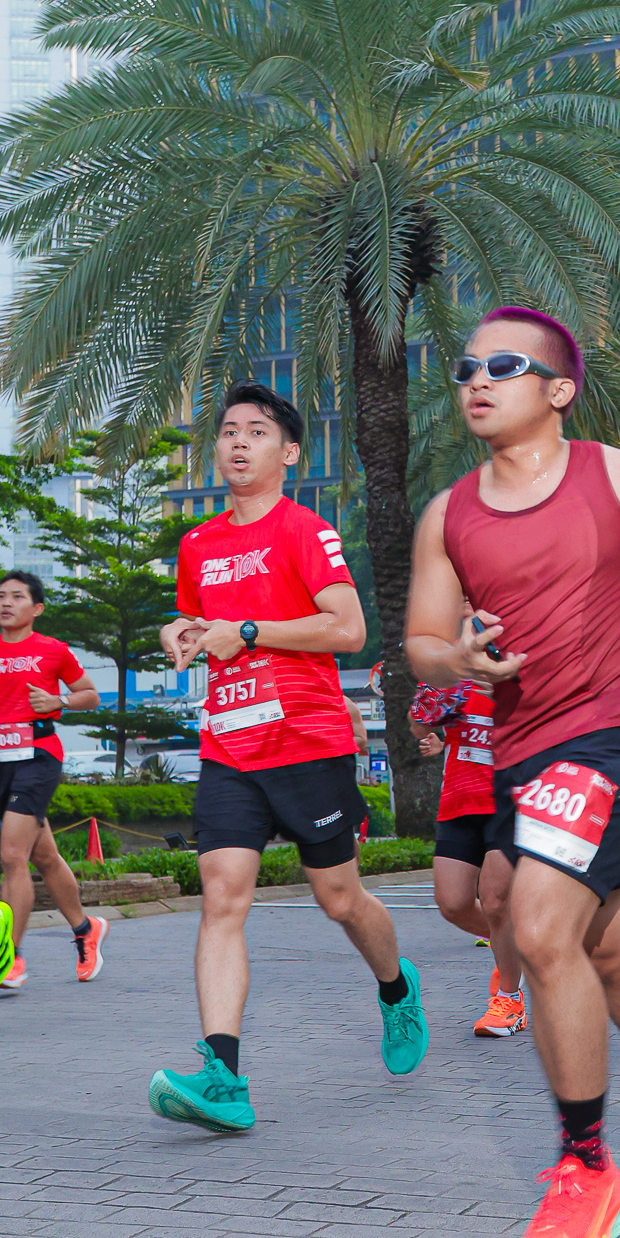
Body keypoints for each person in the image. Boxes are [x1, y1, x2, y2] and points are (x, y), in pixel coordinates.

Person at [405, 307, 620, 1238]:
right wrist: (457, 656)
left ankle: (585, 1170)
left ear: (559, 389)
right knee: (603, 947)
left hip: (615, 734)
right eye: (465, 368)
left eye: (503, 366)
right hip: (520, 751)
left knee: (539, 925)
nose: (477, 380)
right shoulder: (447, 515)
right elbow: (423, 639)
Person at [148, 382, 423, 1135]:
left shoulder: (306, 530)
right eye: (229, 431)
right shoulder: (198, 544)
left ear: (289, 452)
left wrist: (249, 631)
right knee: (220, 897)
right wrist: (182, 631)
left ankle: (396, 989)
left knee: (339, 898)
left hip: (306, 742)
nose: (238, 442)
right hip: (229, 746)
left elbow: (348, 629)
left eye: (257, 431)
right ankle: (224, 1079)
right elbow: (196, 619)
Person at [0, 571, 108, 990]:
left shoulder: (52, 650)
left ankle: (10, 956)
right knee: (44, 856)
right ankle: (86, 930)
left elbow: (90, 694)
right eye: (0, 596)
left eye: (17, 596)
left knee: (12, 855)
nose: (6, 603)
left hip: (39, 756)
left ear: (37, 608)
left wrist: (58, 700)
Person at [409, 678, 524, 1035]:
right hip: (459, 801)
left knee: (494, 901)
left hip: (509, 802)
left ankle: (510, 1000)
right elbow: (418, 726)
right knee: (453, 903)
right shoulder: (453, 669)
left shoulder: (522, 665)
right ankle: (512, 948)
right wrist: (434, 699)